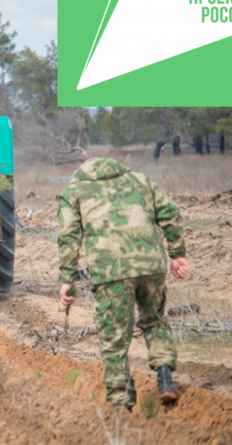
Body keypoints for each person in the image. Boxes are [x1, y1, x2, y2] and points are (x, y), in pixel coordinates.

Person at [57, 158, 189, 412]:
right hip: (151, 264)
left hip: (111, 271)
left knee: (114, 338)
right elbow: (171, 213)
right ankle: (164, 377)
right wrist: (178, 254)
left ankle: (121, 405)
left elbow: (69, 237)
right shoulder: (141, 181)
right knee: (155, 320)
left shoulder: (73, 192)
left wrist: (67, 281)